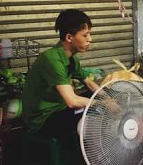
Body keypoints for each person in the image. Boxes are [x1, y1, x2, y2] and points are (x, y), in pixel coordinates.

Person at [22, 9, 100, 138]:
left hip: (59, 109)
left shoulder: (72, 58)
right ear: (69, 37)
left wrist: (109, 99)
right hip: (42, 120)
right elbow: (72, 102)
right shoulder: (51, 60)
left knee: (96, 98)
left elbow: (90, 84)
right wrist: (101, 104)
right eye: (85, 35)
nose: (90, 40)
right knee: (96, 111)